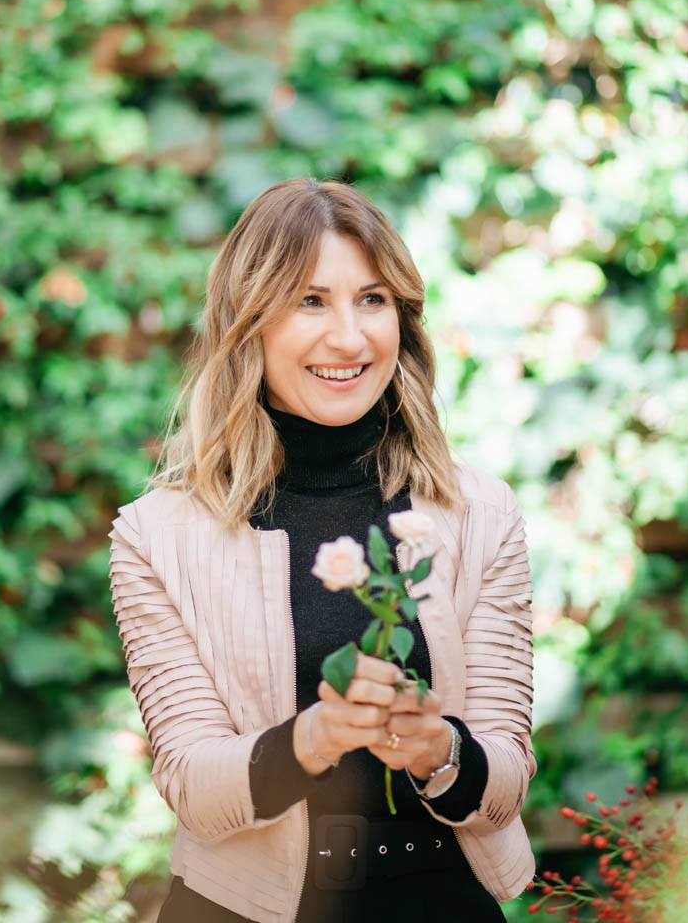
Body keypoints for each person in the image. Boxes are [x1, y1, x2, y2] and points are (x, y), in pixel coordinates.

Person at [109, 178, 536, 923]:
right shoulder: (158, 538)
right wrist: (311, 738)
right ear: (250, 322)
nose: (350, 337)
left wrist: (441, 750)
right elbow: (191, 785)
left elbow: (505, 779)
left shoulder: (479, 516)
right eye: (311, 301)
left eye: (372, 300)